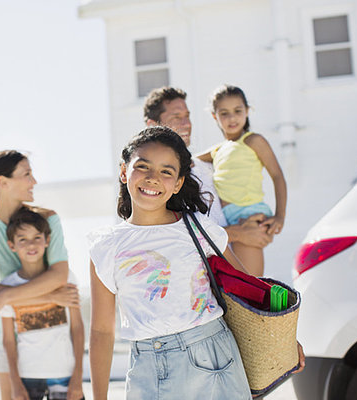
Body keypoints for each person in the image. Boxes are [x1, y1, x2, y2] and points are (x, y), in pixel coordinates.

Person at [88, 126, 254, 400]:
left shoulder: (198, 227)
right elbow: (101, 330)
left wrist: (280, 340)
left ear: (178, 183)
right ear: (123, 171)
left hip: (214, 356)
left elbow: (247, 289)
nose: (153, 178)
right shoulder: (105, 246)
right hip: (148, 367)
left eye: (166, 171)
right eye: (143, 167)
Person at [0, 150, 80, 400]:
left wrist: (6, 297)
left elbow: (59, 276)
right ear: (3, 182)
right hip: (9, 345)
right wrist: (53, 297)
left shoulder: (48, 220)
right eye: (27, 174)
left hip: (55, 346)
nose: (34, 181)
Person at [143, 87, 274, 253]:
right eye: (176, 117)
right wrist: (238, 234)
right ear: (152, 125)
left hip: (235, 263)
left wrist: (261, 223)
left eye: (187, 116)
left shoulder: (206, 166)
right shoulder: (155, 182)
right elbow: (170, 237)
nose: (186, 124)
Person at [198, 85, 287, 277]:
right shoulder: (218, 150)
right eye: (224, 113)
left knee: (251, 280)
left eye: (238, 111)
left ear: (247, 111)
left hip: (249, 214)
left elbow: (277, 176)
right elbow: (188, 160)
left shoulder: (253, 141)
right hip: (226, 218)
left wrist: (280, 215)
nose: (232, 118)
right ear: (215, 117)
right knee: (234, 281)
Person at [0, 207, 84, 400]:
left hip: (64, 373)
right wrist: (15, 383)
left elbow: (77, 327)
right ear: (12, 245)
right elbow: (8, 340)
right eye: (22, 239)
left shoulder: (65, 278)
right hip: (27, 376)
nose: (31, 244)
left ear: (47, 240)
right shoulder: (7, 288)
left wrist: (78, 375)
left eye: (37, 237)